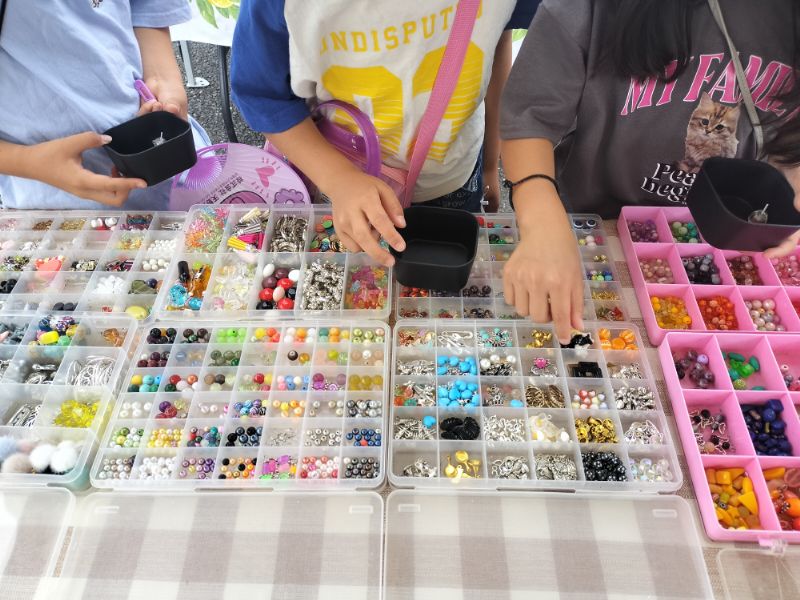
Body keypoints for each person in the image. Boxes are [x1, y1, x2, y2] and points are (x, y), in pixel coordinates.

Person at [500, 0, 800, 342]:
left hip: (732, 235)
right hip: (591, 221)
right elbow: (529, 119)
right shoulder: (587, 10)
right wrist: (540, 220)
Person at [231, 0, 539, 266]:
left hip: (453, 176)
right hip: (334, 175)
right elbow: (263, 96)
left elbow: (496, 38)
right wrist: (338, 178)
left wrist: (490, 164)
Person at [0, 0, 210, 210]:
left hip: (182, 163)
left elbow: (146, 6)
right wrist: (28, 161)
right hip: (65, 205)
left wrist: (162, 79)